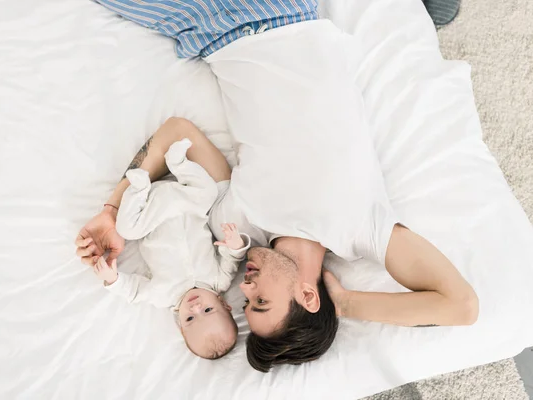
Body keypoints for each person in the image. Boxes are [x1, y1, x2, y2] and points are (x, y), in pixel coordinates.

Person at [81, 0, 479, 372]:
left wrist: (112, 212)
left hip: (206, 30)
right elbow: (462, 307)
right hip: (280, 12)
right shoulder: (359, 229)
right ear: (308, 296)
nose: (246, 287)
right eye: (261, 301)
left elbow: (176, 133)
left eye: (246, 302)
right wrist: (346, 304)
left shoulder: (235, 223)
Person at [91, 139, 251, 359]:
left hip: (151, 212)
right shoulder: (219, 281)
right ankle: (179, 164)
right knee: (209, 192)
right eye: (207, 310)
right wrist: (236, 245)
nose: (195, 308)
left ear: (180, 324)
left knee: (126, 229)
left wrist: (113, 279)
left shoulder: (163, 296)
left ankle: (138, 188)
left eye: (190, 319)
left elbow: (134, 291)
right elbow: (233, 259)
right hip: (189, 205)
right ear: (224, 304)